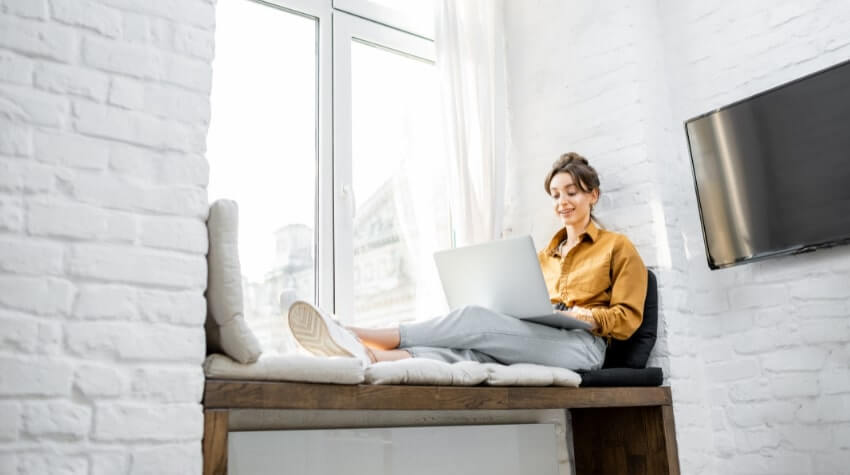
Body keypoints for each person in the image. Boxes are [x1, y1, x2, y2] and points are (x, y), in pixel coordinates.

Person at [287, 152, 648, 371]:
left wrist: (581, 316)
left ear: (593, 195)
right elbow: (528, 307)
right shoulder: (542, 256)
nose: (562, 202)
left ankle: (352, 332)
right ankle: (366, 356)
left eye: (572, 192)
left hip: (583, 348)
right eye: (555, 194)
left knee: (473, 319)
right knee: (470, 353)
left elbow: (627, 320)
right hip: (540, 336)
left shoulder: (618, 248)